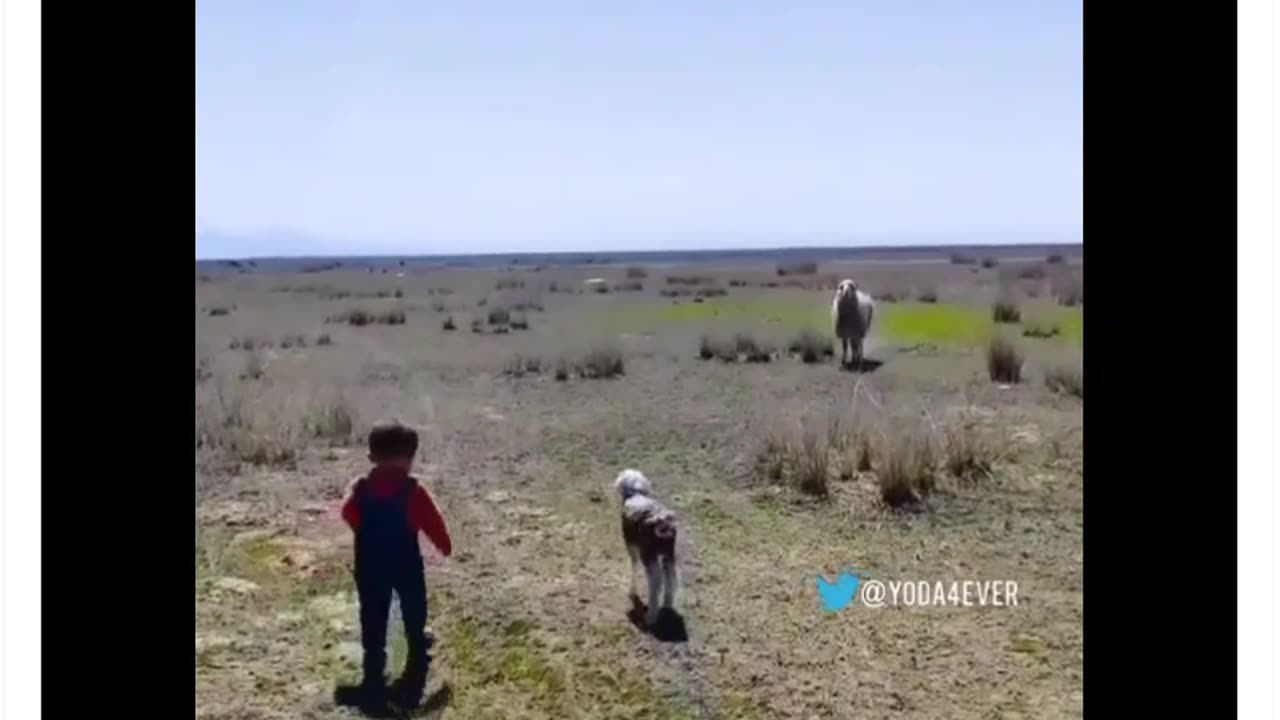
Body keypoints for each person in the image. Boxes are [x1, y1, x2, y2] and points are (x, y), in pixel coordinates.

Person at [340, 421, 452, 710]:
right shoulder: (413, 491)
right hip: (405, 566)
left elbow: (348, 513)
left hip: (370, 566)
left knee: (373, 623)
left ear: (372, 457)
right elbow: (433, 523)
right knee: (414, 615)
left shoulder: (360, 489)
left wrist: (365, 530)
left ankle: (373, 681)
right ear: (409, 458)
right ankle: (415, 670)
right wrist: (444, 545)